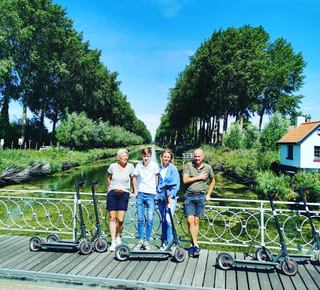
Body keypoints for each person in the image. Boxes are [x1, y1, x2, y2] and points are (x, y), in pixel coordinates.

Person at [183, 148, 215, 257]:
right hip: (189, 196)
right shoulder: (188, 165)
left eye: (199, 156)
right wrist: (199, 177)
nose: (197, 158)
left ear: (203, 156)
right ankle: (196, 244)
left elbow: (212, 181)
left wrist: (208, 194)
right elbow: (185, 180)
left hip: (201, 196)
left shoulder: (208, 167)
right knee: (189, 221)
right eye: (195, 156)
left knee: (196, 221)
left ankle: (192, 245)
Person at [107, 149, 135, 251]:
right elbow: (109, 178)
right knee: (112, 218)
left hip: (124, 195)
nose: (125, 158)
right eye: (123, 156)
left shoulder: (131, 167)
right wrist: (108, 190)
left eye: (126, 156)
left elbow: (133, 179)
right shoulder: (113, 166)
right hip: (113, 194)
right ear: (119, 157)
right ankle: (113, 241)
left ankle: (118, 236)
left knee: (120, 219)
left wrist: (132, 191)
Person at [133, 147, 159, 250]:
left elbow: (157, 178)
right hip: (141, 194)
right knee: (140, 219)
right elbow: (134, 178)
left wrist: (155, 190)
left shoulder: (154, 165)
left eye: (148, 156)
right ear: (141, 156)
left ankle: (147, 241)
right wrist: (135, 191)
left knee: (149, 219)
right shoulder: (138, 165)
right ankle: (140, 240)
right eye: (144, 156)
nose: (146, 158)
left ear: (151, 156)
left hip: (150, 195)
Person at [156, 149, 180, 251]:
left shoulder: (173, 169)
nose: (166, 159)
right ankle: (164, 242)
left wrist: (170, 196)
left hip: (170, 198)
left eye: (168, 157)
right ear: (161, 157)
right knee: (164, 221)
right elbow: (156, 183)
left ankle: (170, 243)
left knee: (169, 220)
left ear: (170, 159)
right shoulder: (158, 168)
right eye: (164, 157)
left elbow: (176, 185)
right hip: (160, 197)